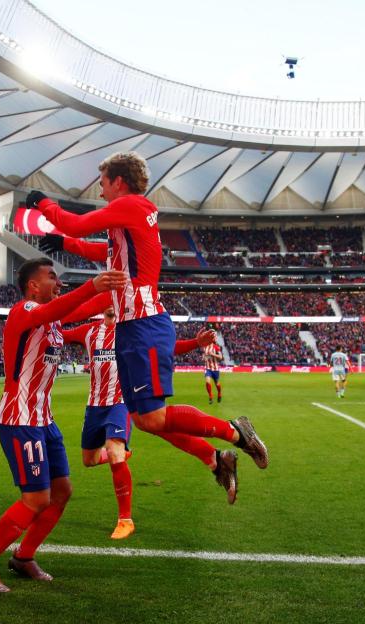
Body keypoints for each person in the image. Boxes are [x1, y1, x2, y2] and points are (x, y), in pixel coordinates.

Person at [29, 152, 268, 503]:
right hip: (132, 328)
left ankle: (235, 433)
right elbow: (104, 251)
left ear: (119, 182)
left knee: (153, 418)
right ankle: (216, 458)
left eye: (103, 183)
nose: (100, 191)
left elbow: (77, 224)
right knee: (144, 421)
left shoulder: (132, 206)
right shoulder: (128, 221)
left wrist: (42, 203)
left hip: (143, 326)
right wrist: (65, 246)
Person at [0, 259, 125, 593]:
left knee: (62, 492)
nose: (58, 281)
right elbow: (73, 302)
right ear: (33, 286)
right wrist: (93, 286)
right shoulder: (24, 310)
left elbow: (86, 304)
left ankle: (24, 557)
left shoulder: (53, 321)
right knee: (36, 499)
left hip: (44, 420)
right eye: (51, 276)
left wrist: (119, 287)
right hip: (20, 419)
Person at [62, 297, 223, 539]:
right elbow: (59, 335)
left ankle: (125, 519)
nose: (109, 305)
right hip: (95, 405)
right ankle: (122, 452)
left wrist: (195, 343)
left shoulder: (131, 330)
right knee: (90, 460)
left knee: (115, 452)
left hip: (121, 403)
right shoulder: (89, 331)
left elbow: (167, 346)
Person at [202, 338, 223, 404]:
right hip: (208, 368)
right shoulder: (205, 347)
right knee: (208, 381)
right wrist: (204, 358)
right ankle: (210, 396)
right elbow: (204, 356)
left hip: (215, 368)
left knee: (217, 383)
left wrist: (212, 354)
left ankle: (219, 393)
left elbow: (220, 357)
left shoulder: (216, 347)